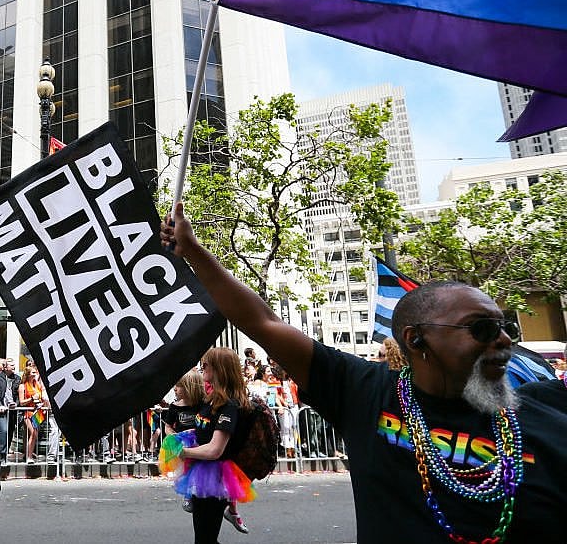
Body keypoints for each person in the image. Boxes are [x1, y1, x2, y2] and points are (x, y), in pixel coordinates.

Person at [161, 202, 567, 542]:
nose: (504, 340)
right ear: (415, 340)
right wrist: (193, 250)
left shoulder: (551, 415)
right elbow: (263, 322)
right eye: (482, 329)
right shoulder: (364, 392)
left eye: (505, 327)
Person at [164, 348, 253, 542]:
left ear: (220, 369)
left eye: (206, 364)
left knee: (205, 539)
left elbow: (215, 449)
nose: (202, 367)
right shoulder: (210, 401)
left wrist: (183, 452)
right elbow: (204, 432)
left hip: (215, 478)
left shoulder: (229, 406)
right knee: (205, 538)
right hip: (201, 472)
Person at [164, 369, 205, 513]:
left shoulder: (202, 405)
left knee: (200, 468)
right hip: (183, 442)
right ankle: (188, 495)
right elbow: (168, 426)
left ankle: (199, 491)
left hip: (200, 441)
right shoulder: (174, 407)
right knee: (187, 469)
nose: (175, 389)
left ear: (190, 387)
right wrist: (174, 436)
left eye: (179, 385)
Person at [18, 365, 59, 464]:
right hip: (28, 412)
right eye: (33, 372)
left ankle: (29, 454)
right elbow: (21, 402)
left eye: (35, 372)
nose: (35, 374)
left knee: (34, 434)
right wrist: (32, 398)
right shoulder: (22, 386)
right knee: (33, 433)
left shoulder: (37, 385)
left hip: (38, 412)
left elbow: (41, 398)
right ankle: (28, 457)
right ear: (28, 374)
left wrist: (43, 405)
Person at [0, 358, 17, 463]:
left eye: (14, 365)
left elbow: (18, 393)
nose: (14, 367)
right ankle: (1, 455)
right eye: (11, 365)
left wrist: (16, 403)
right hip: (2, 409)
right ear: (5, 367)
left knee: (10, 431)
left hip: (13, 410)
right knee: (3, 430)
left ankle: (5, 455)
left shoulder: (17, 378)